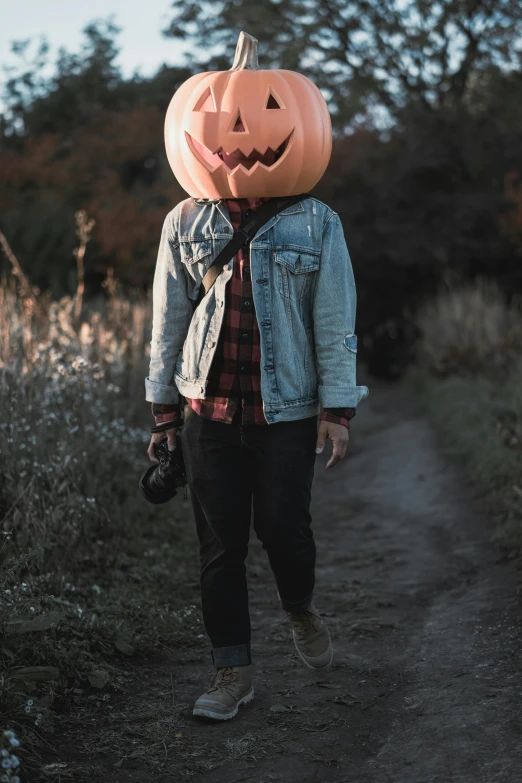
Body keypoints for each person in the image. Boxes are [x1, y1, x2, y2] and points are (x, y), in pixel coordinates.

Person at [145, 32, 368, 722]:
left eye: (266, 111)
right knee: (220, 549)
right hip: (207, 411)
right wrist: (161, 417)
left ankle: (298, 604)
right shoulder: (183, 222)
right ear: (192, 131)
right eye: (220, 119)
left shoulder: (317, 223)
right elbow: (167, 325)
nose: (239, 132)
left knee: (284, 529)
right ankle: (231, 671)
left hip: (287, 412)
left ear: (300, 123)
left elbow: (333, 323)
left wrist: (338, 409)